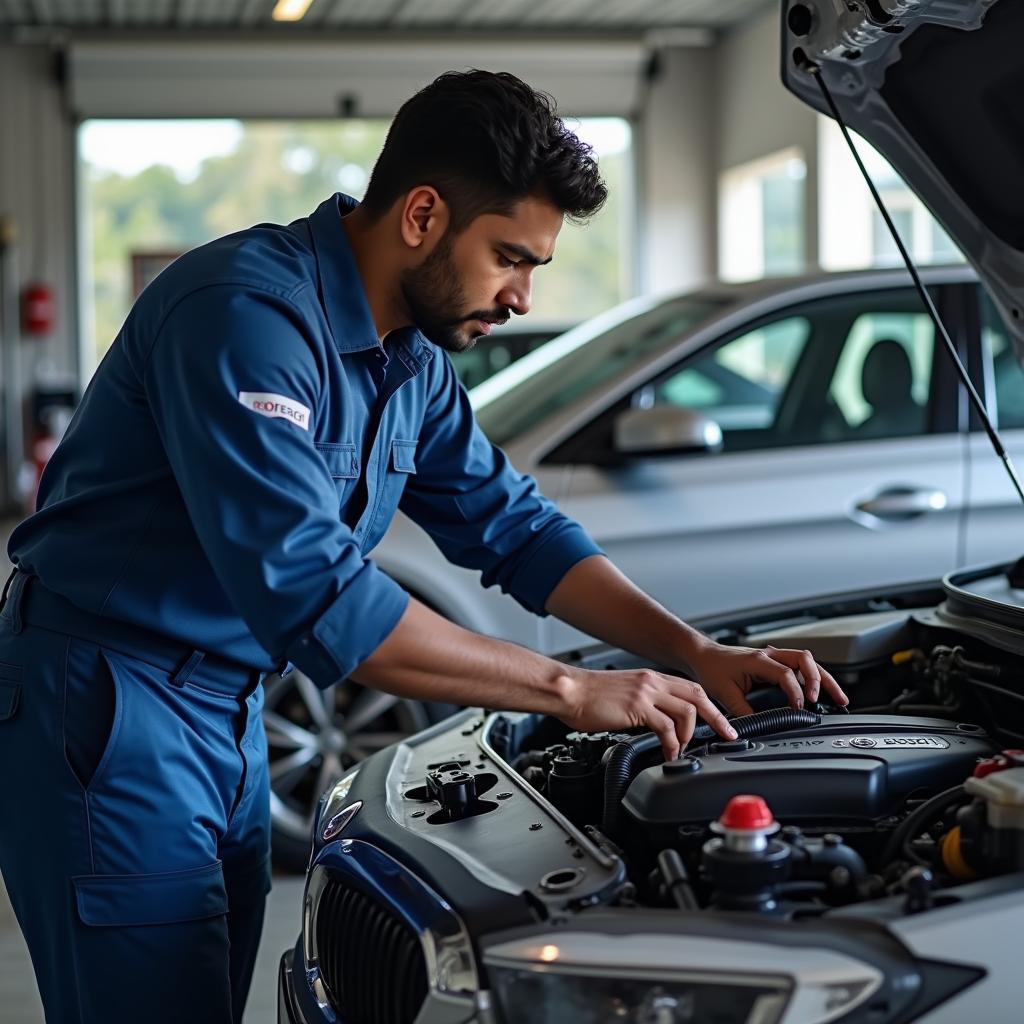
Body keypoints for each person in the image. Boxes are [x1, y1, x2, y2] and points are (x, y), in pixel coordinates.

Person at [0, 69, 847, 1023]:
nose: (522, 295)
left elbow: (518, 530)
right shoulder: (243, 317)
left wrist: (691, 650)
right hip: (111, 703)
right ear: (422, 215)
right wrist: (574, 689)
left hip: (226, 706)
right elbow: (320, 597)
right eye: (510, 258)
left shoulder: (412, 364)